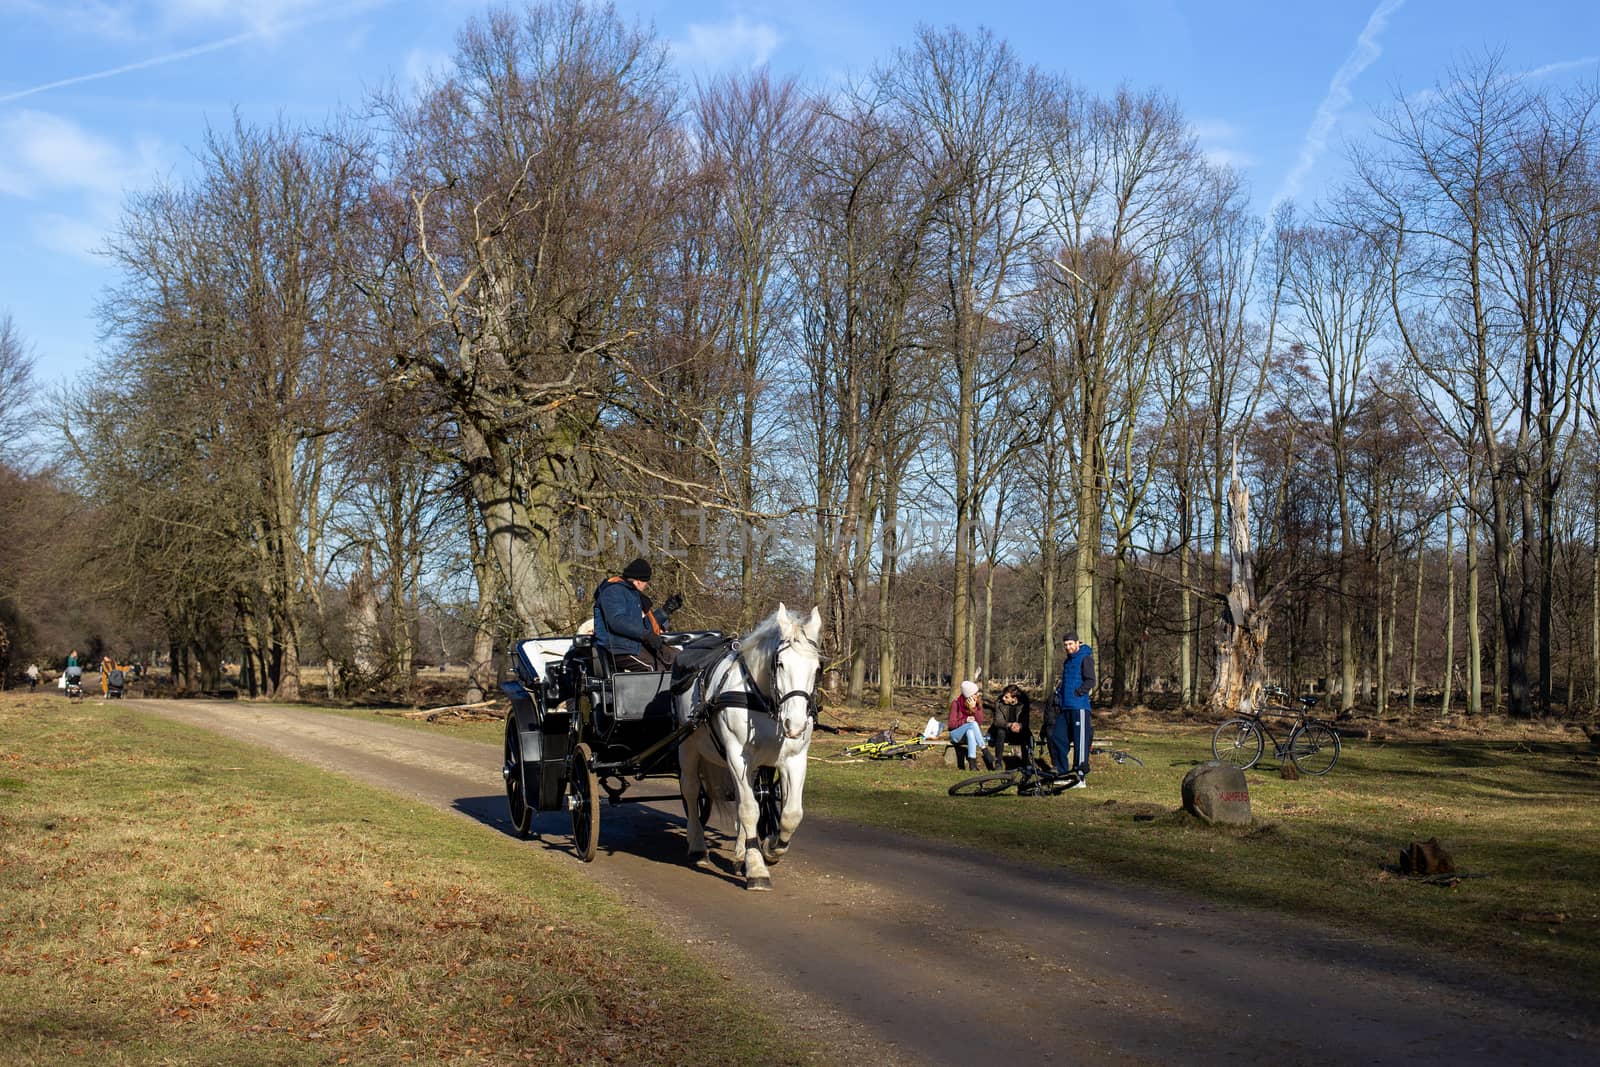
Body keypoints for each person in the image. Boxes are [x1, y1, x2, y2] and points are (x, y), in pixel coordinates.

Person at [593, 558, 676, 671]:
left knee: (676, 659)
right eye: (646, 582)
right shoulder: (613, 591)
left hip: (633, 644)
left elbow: (642, 626)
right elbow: (617, 621)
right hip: (618, 647)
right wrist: (646, 635)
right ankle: (659, 688)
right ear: (638, 581)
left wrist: (665, 611)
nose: (646, 586)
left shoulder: (632, 594)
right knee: (655, 669)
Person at [1050, 633, 1095, 788]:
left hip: (1079, 707)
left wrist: (1078, 693)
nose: (1068, 647)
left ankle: (1080, 777)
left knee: (1080, 742)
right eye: (1066, 645)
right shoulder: (1067, 661)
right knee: (1057, 738)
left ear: (1077, 643)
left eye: (1070, 644)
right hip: (1065, 707)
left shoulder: (1085, 658)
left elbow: (1090, 680)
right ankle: (1063, 773)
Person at [948, 680, 995, 771]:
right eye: (975, 693)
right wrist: (965, 720)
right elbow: (951, 725)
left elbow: (980, 722)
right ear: (968, 695)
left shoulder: (976, 703)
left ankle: (972, 765)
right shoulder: (956, 704)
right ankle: (984, 749)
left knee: (970, 732)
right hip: (956, 735)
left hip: (968, 735)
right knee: (972, 724)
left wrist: (975, 709)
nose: (978, 695)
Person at [989, 683, 1033, 768]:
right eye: (1004, 696)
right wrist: (1010, 725)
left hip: (1018, 730)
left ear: (1014, 698)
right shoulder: (999, 703)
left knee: (1025, 732)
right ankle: (998, 761)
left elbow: (1025, 720)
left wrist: (1019, 725)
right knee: (1000, 731)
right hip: (1005, 729)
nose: (1003, 698)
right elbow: (998, 721)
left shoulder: (1024, 704)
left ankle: (1026, 760)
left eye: (1006, 697)